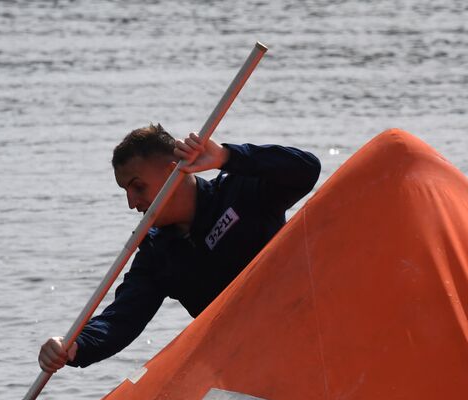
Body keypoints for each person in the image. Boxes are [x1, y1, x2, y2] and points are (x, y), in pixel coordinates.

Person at [39, 125, 320, 372]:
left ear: (174, 169)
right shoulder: (156, 254)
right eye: (125, 191)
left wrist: (227, 157)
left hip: (307, 331)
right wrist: (75, 345)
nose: (131, 202)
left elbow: (306, 170)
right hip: (245, 362)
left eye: (138, 187)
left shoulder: (239, 193)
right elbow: (121, 320)